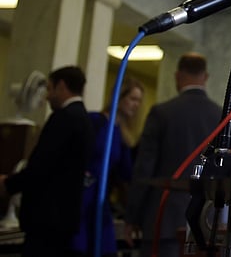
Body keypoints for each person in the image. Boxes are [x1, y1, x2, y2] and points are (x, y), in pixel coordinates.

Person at [125, 53, 221, 257]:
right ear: (206, 77)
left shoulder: (162, 113)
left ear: (177, 76)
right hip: (206, 225)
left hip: (164, 220)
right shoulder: (220, 116)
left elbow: (145, 168)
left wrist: (132, 216)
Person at [0, 65, 93, 257]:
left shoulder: (63, 118)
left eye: (50, 89)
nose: (47, 96)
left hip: (47, 219)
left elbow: (42, 167)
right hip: (64, 219)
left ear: (62, 86)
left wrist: (8, 184)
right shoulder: (84, 119)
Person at [73, 77, 144, 257]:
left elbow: (127, 174)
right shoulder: (96, 121)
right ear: (119, 97)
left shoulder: (124, 136)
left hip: (100, 200)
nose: (136, 105)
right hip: (81, 196)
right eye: (132, 99)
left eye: (139, 101)